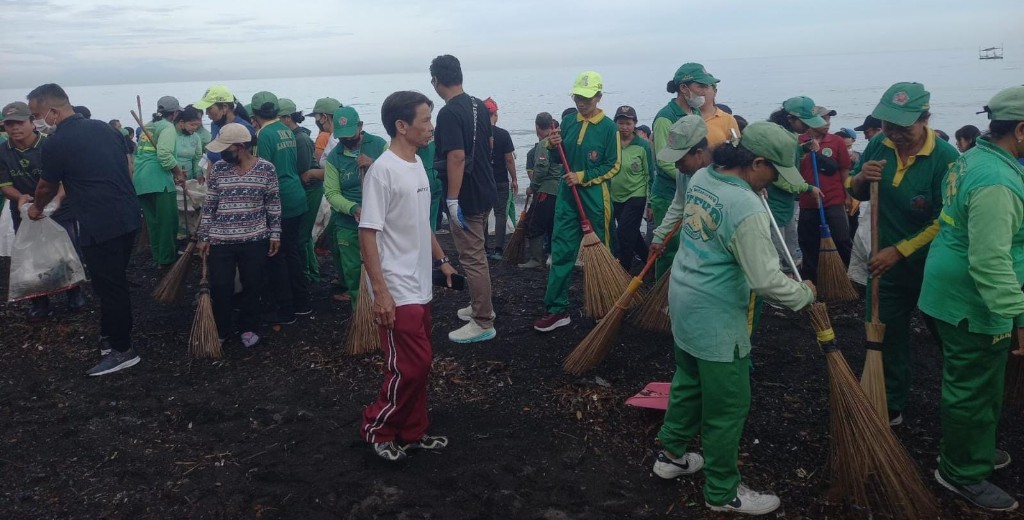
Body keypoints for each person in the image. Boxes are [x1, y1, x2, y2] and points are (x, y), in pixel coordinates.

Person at [653, 121, 815, 516]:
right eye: (775, 172)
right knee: (728, 407)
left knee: (689, 379)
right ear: (756, 163)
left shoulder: (704, 175)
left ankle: (671, 455)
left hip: (684, 299)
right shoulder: (747, 209)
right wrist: (804, 293)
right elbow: (765, 281)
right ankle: (722, 492)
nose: (777, 181)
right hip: (718, 317)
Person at [917, 86, 1024, 512]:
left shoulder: (974, 157)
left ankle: (972, 447)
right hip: (974, 302)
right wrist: (1019, 318)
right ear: (1020, 130)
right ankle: (960, 471)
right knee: (972, 387)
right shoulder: (996, 181)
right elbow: (989, 261)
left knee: (976, 382)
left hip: (946, 286)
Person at [847, 81, 960, 426]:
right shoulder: (878, 145)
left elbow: (948, 219)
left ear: (925, 118)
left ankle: (958, 409)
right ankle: (891, 401)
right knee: (886, 332)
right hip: (887, 267)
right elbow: (857, 190)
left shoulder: (946, 159)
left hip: (934, 266)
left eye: (903, 127)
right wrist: (862, 179)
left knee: (949, 340)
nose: (894, 133)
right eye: (887, 125)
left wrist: (901, 250)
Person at [359, 90, 456, 461]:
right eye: (425, 121)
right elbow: (367, 232)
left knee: (421, 363)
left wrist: (442, 259)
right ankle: (376, 426)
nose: (431, 127)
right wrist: (380, 292)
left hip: (421, 284)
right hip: (396, 287)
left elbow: (420, 223)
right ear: (402, 126)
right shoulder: (383, 171)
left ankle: (413, 431)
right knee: (409, 366)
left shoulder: (416, 164)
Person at [26, 83, 142, 376]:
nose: (36, 121)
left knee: (111, 286)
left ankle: (122, 349)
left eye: (36, 115)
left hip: (99, 222)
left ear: (52, 111)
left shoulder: (56, 143)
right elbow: (127, 166)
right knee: (112, 281)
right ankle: (110, 334)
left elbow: (46, 185)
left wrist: (37, 208)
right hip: (128, 215)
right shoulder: (106, 129)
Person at [533, 71, 621, 332]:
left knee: (601, 251)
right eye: (577, 97)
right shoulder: (569, 121)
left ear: (598, 96)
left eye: (586, 97)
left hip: (594, 196)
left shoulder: (608, 128)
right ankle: (557, 309)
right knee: (561, 250)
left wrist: (583, 176)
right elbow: (560, 158)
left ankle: (604, 304)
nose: (581, 102)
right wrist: (551, 145)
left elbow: (613, 165)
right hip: (566, 196)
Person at [430, 54, 497, 343]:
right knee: (478, 255)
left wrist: (453, 199)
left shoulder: (447, 113)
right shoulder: (479, 105)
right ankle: (479, 306)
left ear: (435, 80)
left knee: (472, 259)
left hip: (466, 195)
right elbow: (488, 143)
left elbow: (456, 156)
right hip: (485, 188)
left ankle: (483, 321)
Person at [196, 123, 281, 349]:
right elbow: (210, 204)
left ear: (241, 146)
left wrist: (275, 233)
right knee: (221, 286)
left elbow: (272, 203)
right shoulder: (219, 170)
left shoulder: (266, 169)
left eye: (227, 148)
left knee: (252, 285)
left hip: (255, 238)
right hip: (221, 240)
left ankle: (248, 326)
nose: (222, 153)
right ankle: (222, 328)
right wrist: (203, 236)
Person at [0, 101, 86, 320]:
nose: (15, 128)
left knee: (66, 251)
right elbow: (5, 184)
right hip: (24, 211)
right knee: (31, 255)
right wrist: (20, 198)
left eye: (19, 122)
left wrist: (56, 199)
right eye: (9, 124)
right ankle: (39, 300)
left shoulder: (51, 145)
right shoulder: (3, 151)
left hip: (60, 208)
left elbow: (67, 178)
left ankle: (74, 292)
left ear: (32, 122)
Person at [249, 91, 310, 323]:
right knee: (292, 252)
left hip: (280, 200)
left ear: (255, 114)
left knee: (278, 256)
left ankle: (286, 309)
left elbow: (263, 171)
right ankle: (303, 302)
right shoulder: (286, 130)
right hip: (296, 194)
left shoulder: (263, 134)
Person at [651, 63, 715, 279]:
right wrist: (690, 177)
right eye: (701, 86)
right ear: (684, 88)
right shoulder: (665, 117)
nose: (705, 91)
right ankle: (662, 296)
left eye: (707, 87)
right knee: (669, 249)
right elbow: (665, 161)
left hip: (692, 189)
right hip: (669, 193)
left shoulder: (695, 112)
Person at [322, 106, 388, 311]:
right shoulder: (335, 156)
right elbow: (331, 193)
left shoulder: (379, 145)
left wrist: (374, 165)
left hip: (381, 220)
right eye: (342, 137)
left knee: (384, 268)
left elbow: (395, 176)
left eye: (350, 135)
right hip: (348, 223)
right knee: (352, 271)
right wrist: (353, 208)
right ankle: (361, 313)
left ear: (360, 126)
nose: (346, 141)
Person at [765, 96, 825, 273]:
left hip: (787, 204)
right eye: (805, 122)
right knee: (777, 249)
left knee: (791, 246)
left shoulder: (791, 136)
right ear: (790, 118)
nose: (808, 127)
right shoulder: (778, 137)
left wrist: (803, 149)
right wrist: (807, 188)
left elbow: (789, 159)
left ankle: (790, 279)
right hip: (773, 203)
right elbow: (778, 175)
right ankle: (777, 293)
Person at [797, 114, 853, 282]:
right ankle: (812, 280)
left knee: (842, 239)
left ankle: (849, 277)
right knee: (808, 242)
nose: (827, 124)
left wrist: (848, 196)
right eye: (823, 120)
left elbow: (844, 170)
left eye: (829, 120)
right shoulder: (799, 142)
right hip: (808, 201)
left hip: (834, 199)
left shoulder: (836, 141)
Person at [648, 115, 712, 256]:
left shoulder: (722, 175)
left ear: (699, 154)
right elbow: (678, 205)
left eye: (681, 161)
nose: (677, 166)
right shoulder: (683, 174)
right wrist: (660, 235)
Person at [134, 95, 185, 267]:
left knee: (153, 223)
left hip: (141, 180)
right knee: (168, 223)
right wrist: (178, 173)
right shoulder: (168, 127)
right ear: (175, 113)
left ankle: (158, 259)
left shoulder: (148, 126)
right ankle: (167, 259)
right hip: (158, 180)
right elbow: (164, 155)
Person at [279, 98, 322, 284]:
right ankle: (312, 271)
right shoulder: (292, 137)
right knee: (303, 235)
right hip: (304, 190)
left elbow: (303, 172)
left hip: (310, 190)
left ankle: (307, 275)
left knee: (302, 236)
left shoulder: (301, 139)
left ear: (288, 118)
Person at [610, 105, 653, 272]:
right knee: (632, 234)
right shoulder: (611, 143)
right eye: (621, 123)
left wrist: (650, 203)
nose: (624, 127)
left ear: (635, 123)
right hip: (615, 196)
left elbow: (650, 175)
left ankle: (624, 269)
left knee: (623, 234)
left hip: (636, 195)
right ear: (616, 124)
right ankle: (649, 263)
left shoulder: (643, 146)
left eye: (628, 123)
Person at [519, 112, 562, 269]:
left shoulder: (545, 144)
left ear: (537, 127)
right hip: (559, 190)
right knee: (552, 224)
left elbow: (542, 170)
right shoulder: (558, 142)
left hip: (546, 190)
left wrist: (532, 187)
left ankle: (536, 259)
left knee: (534, 223)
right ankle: (553, 255)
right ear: (551, 125)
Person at [483, 97, 517, 261]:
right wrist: (515, 179)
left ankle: (483, 248)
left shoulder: (476, 135)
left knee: (481, 214)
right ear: (495, 114)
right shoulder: (503, 134)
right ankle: (498, 249)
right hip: (500, 180)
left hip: (482, 180)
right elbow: (509, 159)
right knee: (500, 214)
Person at [193, 85, 256, 172]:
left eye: (209, 108)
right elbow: (213, 152)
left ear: (224, 107)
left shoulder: (244, 129)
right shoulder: (214, 125)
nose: (207, 113)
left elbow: (250, 160)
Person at [700, 82, 741, 147]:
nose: (700, 91)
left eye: (704, 87)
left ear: (715, 91)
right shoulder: (685, 116)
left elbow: (736, 143)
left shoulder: (729, 119)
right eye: (698, 87)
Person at [308, 97, 342, 164]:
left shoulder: (334, 140)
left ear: (324, 117)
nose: (316, 121)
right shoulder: (343, 136)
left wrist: (312, 173)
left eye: (316, 117)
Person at [174, 106, 204, 181]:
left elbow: (197, 158)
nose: (195, 127)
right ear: (182, 122)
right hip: (172, 177)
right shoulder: (171, 134)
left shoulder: (196, 137)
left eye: (197, 125)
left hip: (188, 179)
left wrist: (198, 174)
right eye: (192, 124)